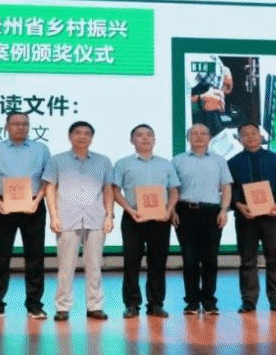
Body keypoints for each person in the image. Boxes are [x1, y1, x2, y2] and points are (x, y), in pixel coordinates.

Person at [0, 112, 51, 320]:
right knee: (0, 257)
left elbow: (48, 178)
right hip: (4, 205)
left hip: (33, 205)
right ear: (6, 126)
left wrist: (38, 201)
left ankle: (35, 305)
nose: (20, 127)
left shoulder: (41, 149)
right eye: (16, 123)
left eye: (24, 123)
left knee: (35, 257)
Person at [42, 121, 114, 322]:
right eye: (77, 133)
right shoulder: (57, 160)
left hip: (96, 218)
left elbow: (108, 188)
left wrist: (109, 215)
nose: (82, 136)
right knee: (66, 266)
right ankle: (62, 307)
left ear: (92, 137)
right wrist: (54, 216)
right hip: (67, 219)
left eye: (87, 133)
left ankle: (95, 306)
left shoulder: (103, 161)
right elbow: (49, 188)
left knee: (95, 266)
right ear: (69, 136)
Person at [112, 124, 180, 318]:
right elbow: (115, 190)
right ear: (132, 140)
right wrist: (129, 209)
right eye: (140, 135)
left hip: (160, 218)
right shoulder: (122, 163)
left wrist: (169, 210)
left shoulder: (166, 164)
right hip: (134, 216)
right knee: (131, 262)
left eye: (149, 135)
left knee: (158, 261)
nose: (145, 138)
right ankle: (132, 304)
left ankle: (156, 304)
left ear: (154, 139)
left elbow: (174, 190)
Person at [226, 122, 276, 314]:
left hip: (272, 216)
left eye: (254, 133)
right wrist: (238, 204)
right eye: (245, 134)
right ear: (239, 139)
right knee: (248, 260)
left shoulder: (275, 159)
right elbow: (230, 189)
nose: (250, 136)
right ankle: (248, 300)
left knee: (275, 259)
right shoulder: (233, 162)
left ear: (260, 136)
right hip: (246, 217)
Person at [172, 123, 232, 315]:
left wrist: (224, 210)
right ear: (188, 138)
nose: (199, 136)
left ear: (210, 137)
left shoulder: (219, 160)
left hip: (211, 213)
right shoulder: (177, 161)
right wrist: (172, 211)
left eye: (203, 133)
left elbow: (226, 187)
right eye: (194, 133)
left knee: (210, 259)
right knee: (189, 259)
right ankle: (191, 301)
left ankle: (209, 301)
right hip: (184, 211)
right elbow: (172, 189)